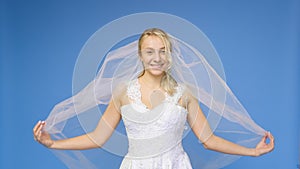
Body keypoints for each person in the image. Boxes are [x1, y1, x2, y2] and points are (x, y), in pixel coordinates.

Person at [33, 28, 274, 168]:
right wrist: (53, 143)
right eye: (150, 52)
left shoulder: (184, 93)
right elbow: (98, 137)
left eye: (162, 51)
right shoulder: (122, 92)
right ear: (140, 55)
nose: (157, 58)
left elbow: (208, 139)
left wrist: (252, 152)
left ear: (170, 56)